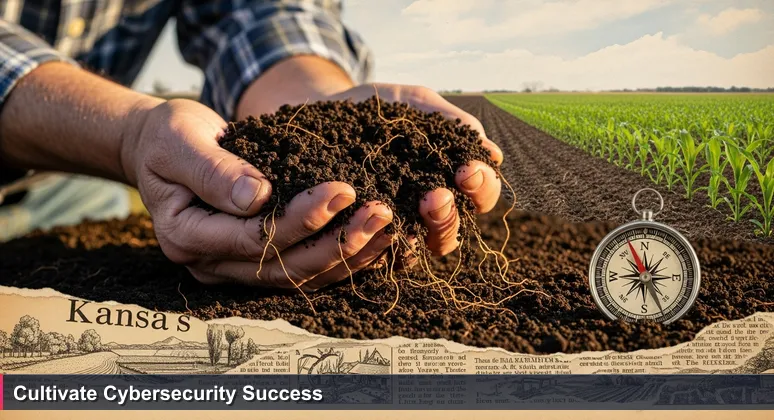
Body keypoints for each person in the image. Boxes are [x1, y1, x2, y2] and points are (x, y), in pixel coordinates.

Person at [0, 0, 503, 292]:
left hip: (63, 180)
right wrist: (129, 135)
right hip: (94, 148)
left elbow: (254, 10)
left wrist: (317, 104)